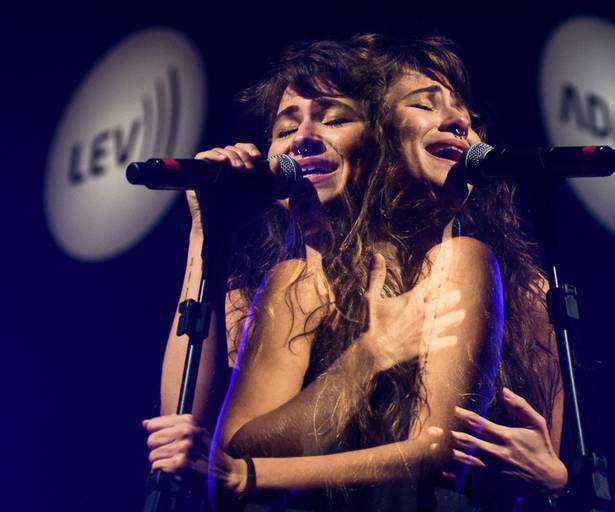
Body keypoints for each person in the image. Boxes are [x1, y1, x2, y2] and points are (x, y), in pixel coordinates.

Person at [144, 35, 567, 510]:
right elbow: (199, 450)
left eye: (335, 120)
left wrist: (557, 482)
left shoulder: (513, 284)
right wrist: (205, 235)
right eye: (286, 129)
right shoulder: (282, 287)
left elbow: (465, 456)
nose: (304, 138)